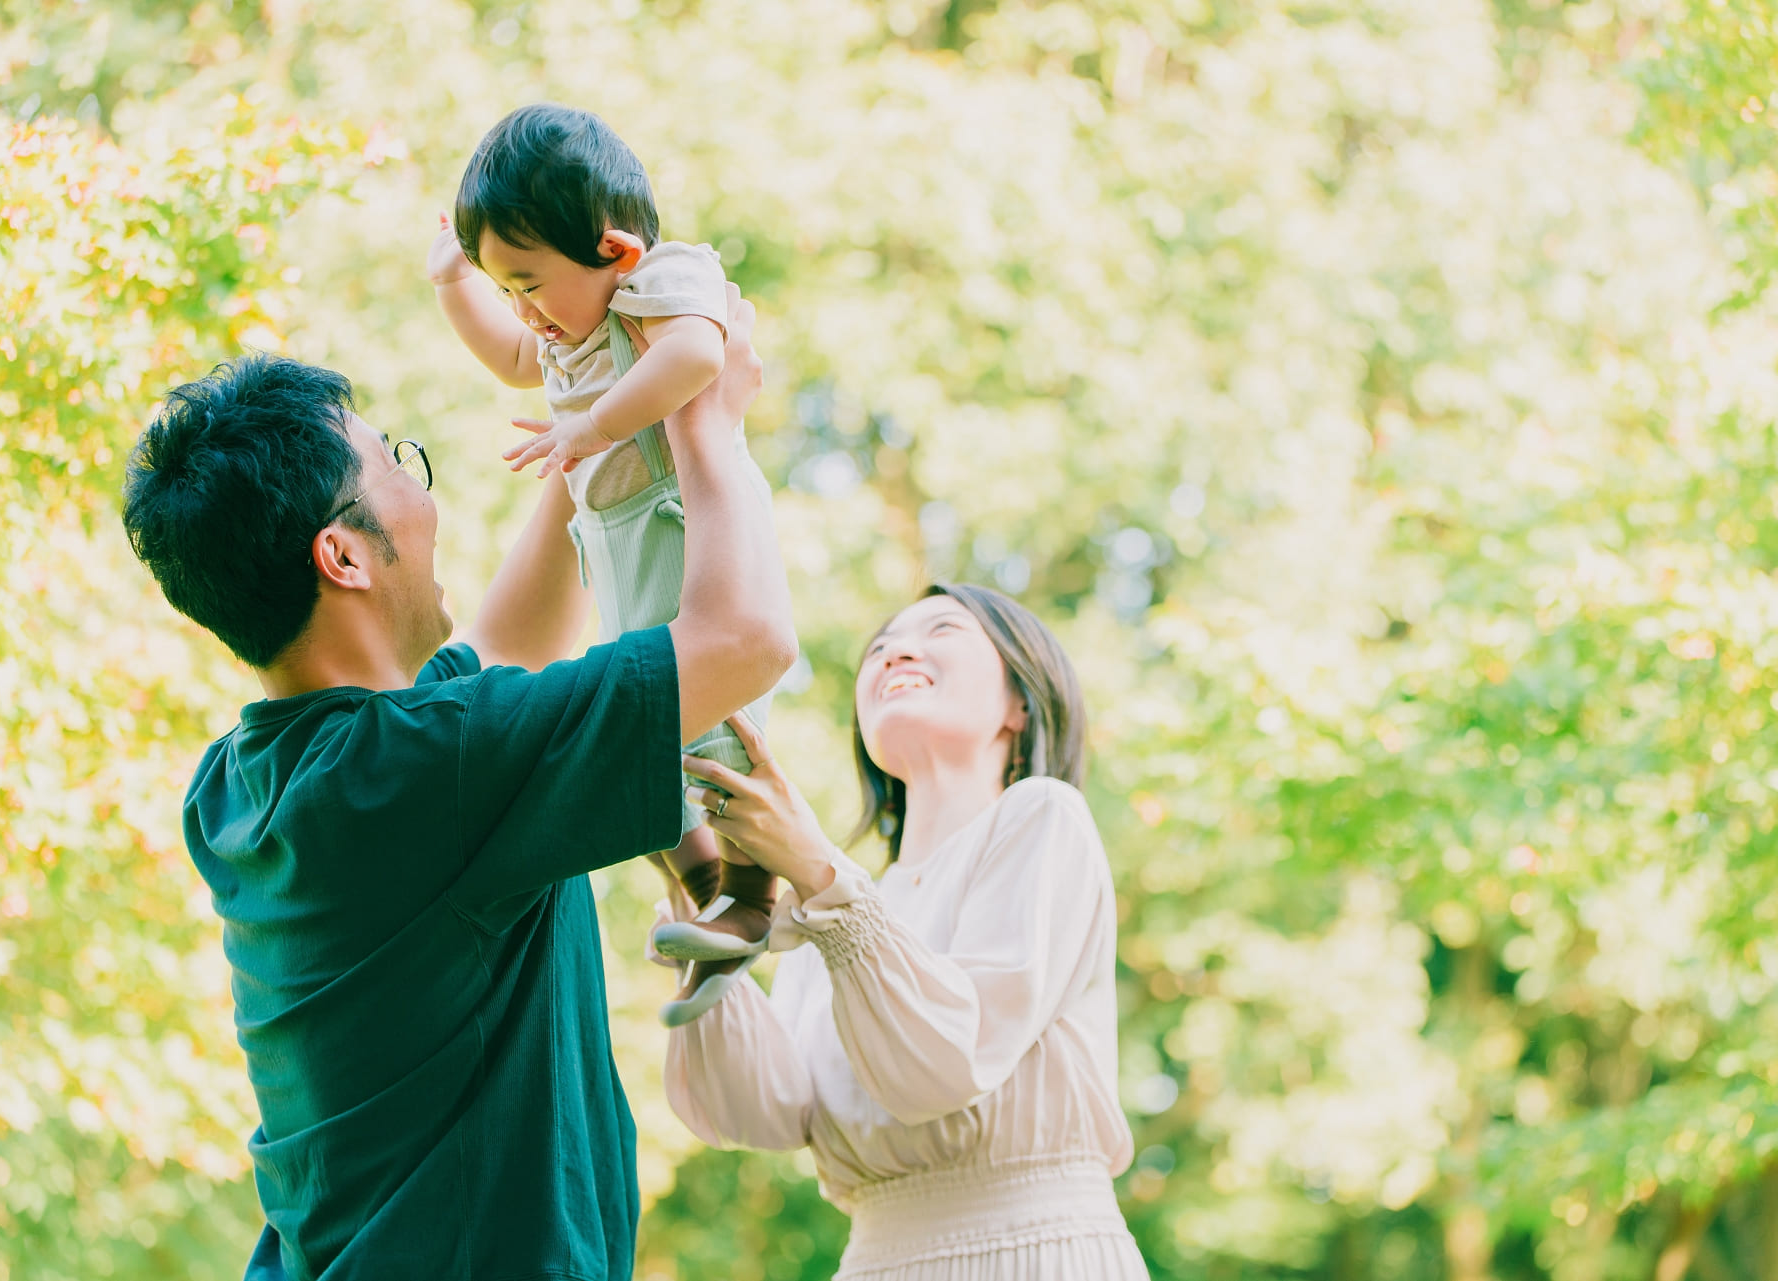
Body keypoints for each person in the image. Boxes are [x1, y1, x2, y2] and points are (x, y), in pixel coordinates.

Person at [117, 286, 794, 1281]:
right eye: (397, 462)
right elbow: (746, 641)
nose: (422, 494)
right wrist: (706, 420)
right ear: (341, 554)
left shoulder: (247, 785)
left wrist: (593, 419)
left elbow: (503, 649)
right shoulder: (421, 768)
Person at [658, 584, 1150, 1280]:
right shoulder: (835, 902)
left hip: (1041, 1253)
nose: (896, 651)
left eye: (943, 628)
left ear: (1021, 700)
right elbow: (759, 1113)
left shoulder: (1043, 818)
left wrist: (817, 872)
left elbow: (943, 1065)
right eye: (879, 647)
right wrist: (705, 893)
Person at [429, 103, 778, 1021]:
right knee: (629, 729)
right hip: (612, 541)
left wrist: (595, 425)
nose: (525, 312)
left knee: (702, 720)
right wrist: (452, 290)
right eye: (504, 286)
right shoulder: (565, 331)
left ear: (616, 250)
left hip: (676, 521)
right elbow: (511, 358)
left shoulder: (662, 279)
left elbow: (701, 353)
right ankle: (706, 885)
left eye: (528, 281)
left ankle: (753, 887)